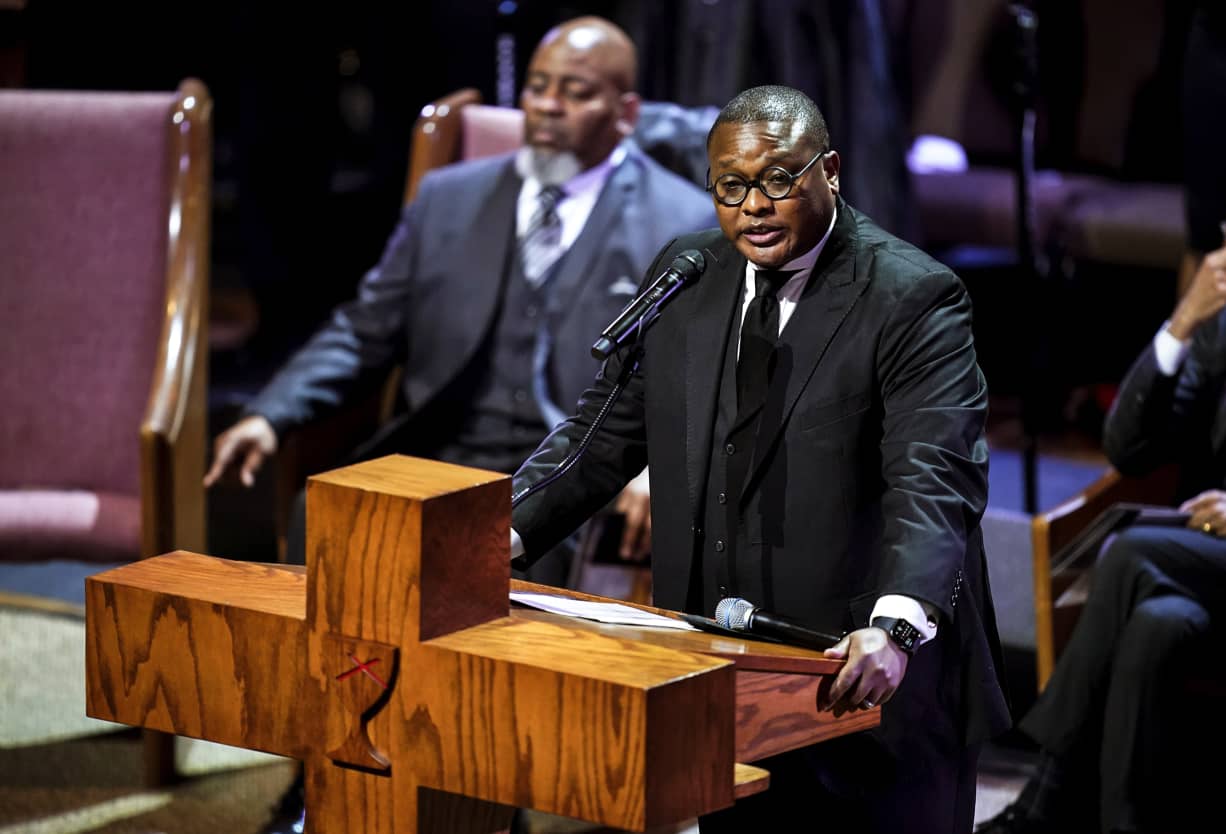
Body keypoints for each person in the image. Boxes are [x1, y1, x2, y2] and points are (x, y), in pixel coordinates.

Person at [511, 84, 1010, 834]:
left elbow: (934, 477)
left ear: (830, 170)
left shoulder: (913, 298)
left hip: (865, 681)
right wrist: (498, 535)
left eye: (779, 180)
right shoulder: (687, 275)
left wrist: (897, 626)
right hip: (724, 673)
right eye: (731, 186)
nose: (754, 205)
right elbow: (602, 433)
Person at [204, 16, 716, 584]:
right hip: (439, 459)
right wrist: (272, 414)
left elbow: (696, 376)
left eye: (575, 92)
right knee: (326, 514)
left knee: (537, 559)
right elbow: (363, 330)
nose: (548, 105)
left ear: (624, 114)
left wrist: (656, 467)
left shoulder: (682, 222)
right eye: (538, 86)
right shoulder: (448, 198)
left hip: (567, 483)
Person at [977, 167, 1226, 834]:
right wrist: (1184, 321)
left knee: (1129, 553)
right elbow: (1129, 448)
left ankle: (1044, 792)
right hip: (1216, 564)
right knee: (1158, 623)